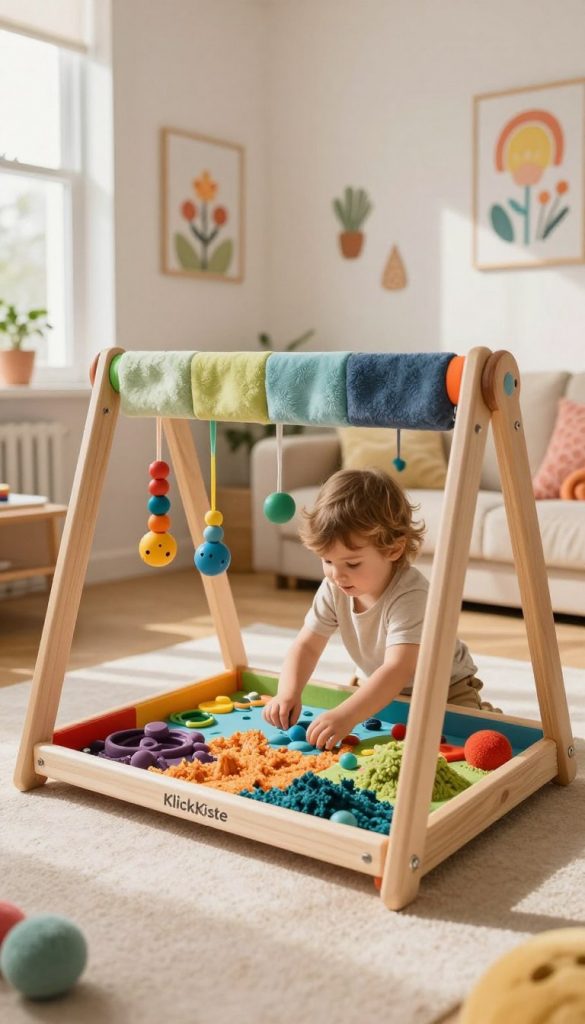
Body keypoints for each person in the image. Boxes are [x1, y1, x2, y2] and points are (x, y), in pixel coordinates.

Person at [263, 468, 497, 750]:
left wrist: (346, 714)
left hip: (444, 688)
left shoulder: (412, 594)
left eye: (352, 564)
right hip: (378, 682)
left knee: (473, 740)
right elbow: (307, 646)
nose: (337, 575)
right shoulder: (334, 586)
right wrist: (288, 691)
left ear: (394, 550)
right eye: (327, 561)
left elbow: (398, 668)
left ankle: (486, 711)